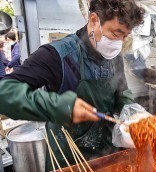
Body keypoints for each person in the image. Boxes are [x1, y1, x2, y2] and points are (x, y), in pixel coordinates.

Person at [0, 0, 145, 171]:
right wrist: (59, 107)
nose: (119, 42)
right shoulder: (57, 55)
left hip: (108, 155)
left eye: (125, 36)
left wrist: (135, 114)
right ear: (93, 20)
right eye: (116, 33)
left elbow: (121, 94)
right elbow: (5, 92)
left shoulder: (115, 57)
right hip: (69, 159)